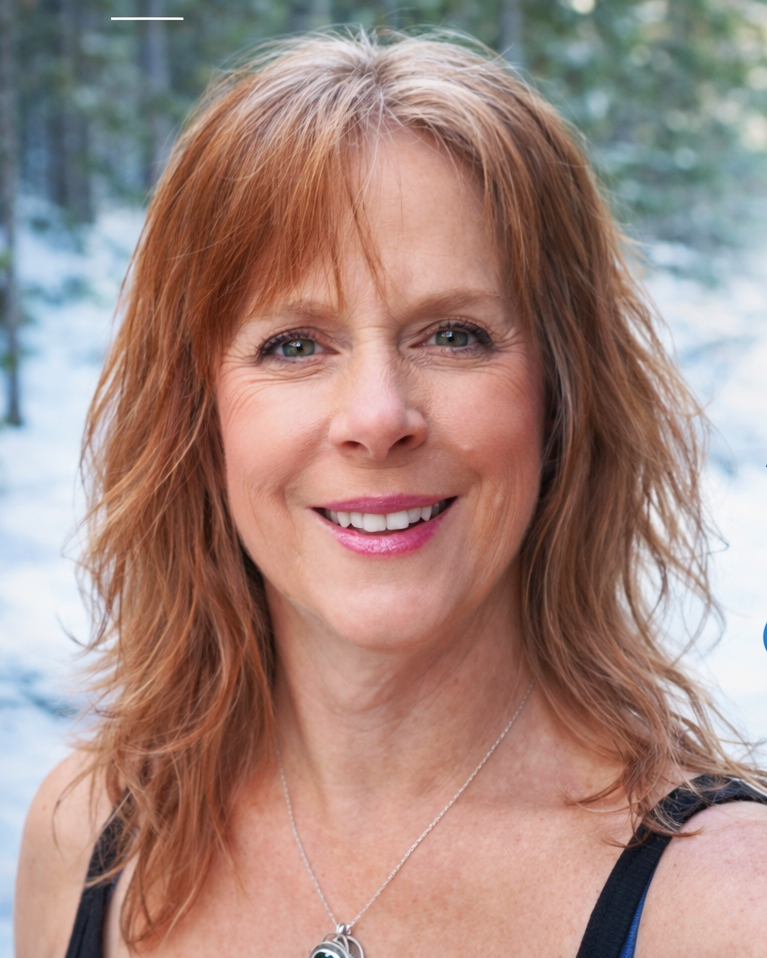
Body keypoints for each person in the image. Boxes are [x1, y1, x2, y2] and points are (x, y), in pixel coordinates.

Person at [13, 29, 767, 958]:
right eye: (294, 344)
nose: (377, 416)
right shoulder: (85, 838)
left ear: (563, 398)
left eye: (453, 335)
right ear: (197, 416)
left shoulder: (724, 910)